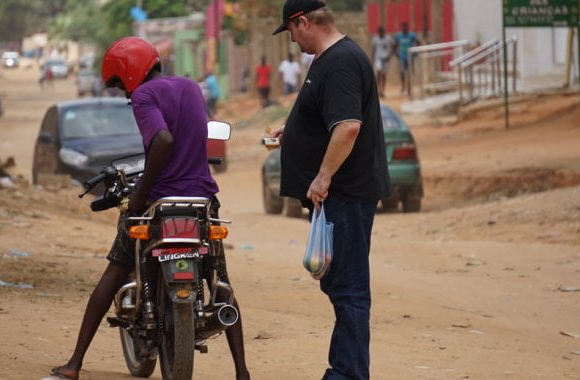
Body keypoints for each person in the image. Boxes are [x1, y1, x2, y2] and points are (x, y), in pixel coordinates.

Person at [50, 37, 251, 380]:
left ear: (128, 74)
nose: (124, 94)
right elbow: (192, 138)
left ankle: (74, 363)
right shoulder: (190, 87)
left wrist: (141, 195)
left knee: (115, 270)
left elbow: (163, 140)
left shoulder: (144, 96)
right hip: (201, 200)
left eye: (119, 84)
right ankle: (243, 373)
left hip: (161, 202)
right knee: (221, 282)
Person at [271, 1, 390, 379]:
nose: (292, 40)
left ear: (302, 21)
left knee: (350, 289)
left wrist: (322, 178)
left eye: (291, 31)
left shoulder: (339, 61)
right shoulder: (328, 60)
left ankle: (348, 374)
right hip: (339, 197)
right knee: (339, 284)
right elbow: (330, 119)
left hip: (345, 194)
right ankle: (344, 371)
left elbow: (348, 127)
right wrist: (294, 133)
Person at [394, 22, 419, 93]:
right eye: (403, 28)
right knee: (402, 72)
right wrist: (396, 52)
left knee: (409, 73)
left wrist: (416, 52)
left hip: (409, 57)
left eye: (406, 27)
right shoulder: (399, 35)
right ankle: (403, 85)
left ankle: (409, 86)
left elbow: (418, 42)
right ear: (402, 28)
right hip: (402, 56)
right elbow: (395, 44)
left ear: (408, 28)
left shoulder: (412, 35)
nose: (405, 29)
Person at [371, 25, 394, 97]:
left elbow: (394, 46)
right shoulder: (375, 39)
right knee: (378, 73)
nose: (382, 32)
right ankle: (378, 89)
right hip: (378, 58)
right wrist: (372, 59)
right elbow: (373, 50)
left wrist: (390, 55)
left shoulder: (388, 38)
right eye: (380, 31)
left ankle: (383, 90)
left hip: (385, 59)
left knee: (384, 74)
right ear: (378, 32)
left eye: (383, 31)